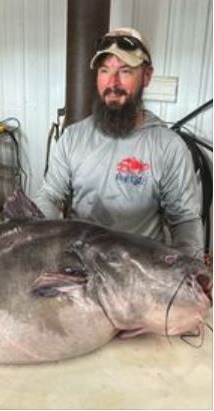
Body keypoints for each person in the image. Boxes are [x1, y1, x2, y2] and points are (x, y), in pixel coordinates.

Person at [34, 27, 204, 259]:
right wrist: (37, 234)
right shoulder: (73, 138)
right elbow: (50, 195)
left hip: (138, 271)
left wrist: (186, 271)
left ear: (146, 76)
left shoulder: (168, 147)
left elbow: (185, 219)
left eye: (125, 71)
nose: (112, 83)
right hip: (83, 265)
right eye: (104, 70)